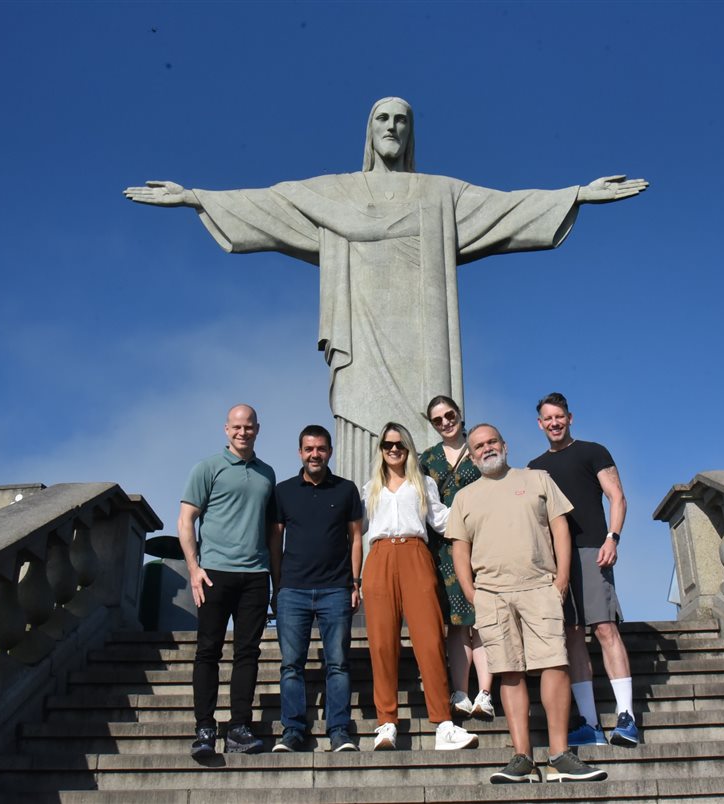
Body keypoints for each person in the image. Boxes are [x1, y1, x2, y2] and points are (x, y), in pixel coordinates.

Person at [124, 97, 649, 487]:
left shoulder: (440, 194)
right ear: (369, 131)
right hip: (362, 334)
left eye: (402, 119)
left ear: (411, 131)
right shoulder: (337, 192)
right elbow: (274, 204)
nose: (392, 127)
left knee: (432, 426)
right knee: (362, 434)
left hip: (424, 341)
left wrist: (576, 193)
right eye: (382, 118)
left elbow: (506, 208)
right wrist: (196, 197)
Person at [449, 424, 607, 784]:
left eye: (492, 442)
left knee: (555, 664)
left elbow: (560, 528)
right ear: (472, 456)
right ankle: (521, 758)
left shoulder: (537, 479)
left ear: (504, 445)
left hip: (540, 587)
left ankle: (559, 755)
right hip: (492, 593)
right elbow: (460, 548)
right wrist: (472, 593)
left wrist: (562, 579)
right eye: (479, 446)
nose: (487, 449)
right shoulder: (465, 497)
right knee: (509, 671)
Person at [528, 392, 639, 747]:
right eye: (548, 418)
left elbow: (617, 496)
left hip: (593, 549)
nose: (554, 423)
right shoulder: (534, 468)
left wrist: (613, 538)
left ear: (570, 418)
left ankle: (627, 718)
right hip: (556, 560)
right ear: (540, 423)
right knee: (573, 635)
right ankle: (590, 724)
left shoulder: (593, 451)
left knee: (605, 628)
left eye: (559, 416)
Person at [360, 422, 478, 752]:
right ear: (380, 449)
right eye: (387, 445)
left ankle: (443, 724)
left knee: (428, 639)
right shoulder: (369, 487)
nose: (393, 449)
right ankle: (386, 723)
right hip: (380, 557)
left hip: (415, 553)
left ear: (408, 448)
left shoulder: (422, 483)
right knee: (382, 645)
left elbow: (441, 519)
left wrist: (477, 504)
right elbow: (355, 529)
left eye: (399, 444)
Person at [180, 404, 277, 757]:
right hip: (214, 573)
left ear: (257, 429)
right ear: (226, 429)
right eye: (236, 427)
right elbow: (186, 519)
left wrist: (274, 579)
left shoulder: (267, 474)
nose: (243, 432)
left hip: (254, 575)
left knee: (247, 653)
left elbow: (271, 530)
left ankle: (239, 726)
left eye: (248, 426)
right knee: (208, 651)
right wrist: (194, 568)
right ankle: (205, 728)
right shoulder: (207, 468)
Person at [268, 425, 363, 753]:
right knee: (291, 664)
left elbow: (356, 538)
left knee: (337, 663)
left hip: (336, 589)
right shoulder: (284, 491)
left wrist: (355, 581)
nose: (315, 454)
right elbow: (274, 540)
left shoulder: (346, 490)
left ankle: (339, 731)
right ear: (300, 452)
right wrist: (277, 586)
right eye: (309, 449)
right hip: (292, 590)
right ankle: (292, 730)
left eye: (321, 449)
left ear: (330, 451)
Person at [418, 395, 493, 720]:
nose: (446, 422)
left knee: (485, 620)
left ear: (460, 414)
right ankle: (461, 691)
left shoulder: (478, 446)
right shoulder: (428, 458)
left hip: (483, 542)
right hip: (445, 548)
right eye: (438, 420)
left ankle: (485, 694)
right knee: (458, 623)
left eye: (450, 415)